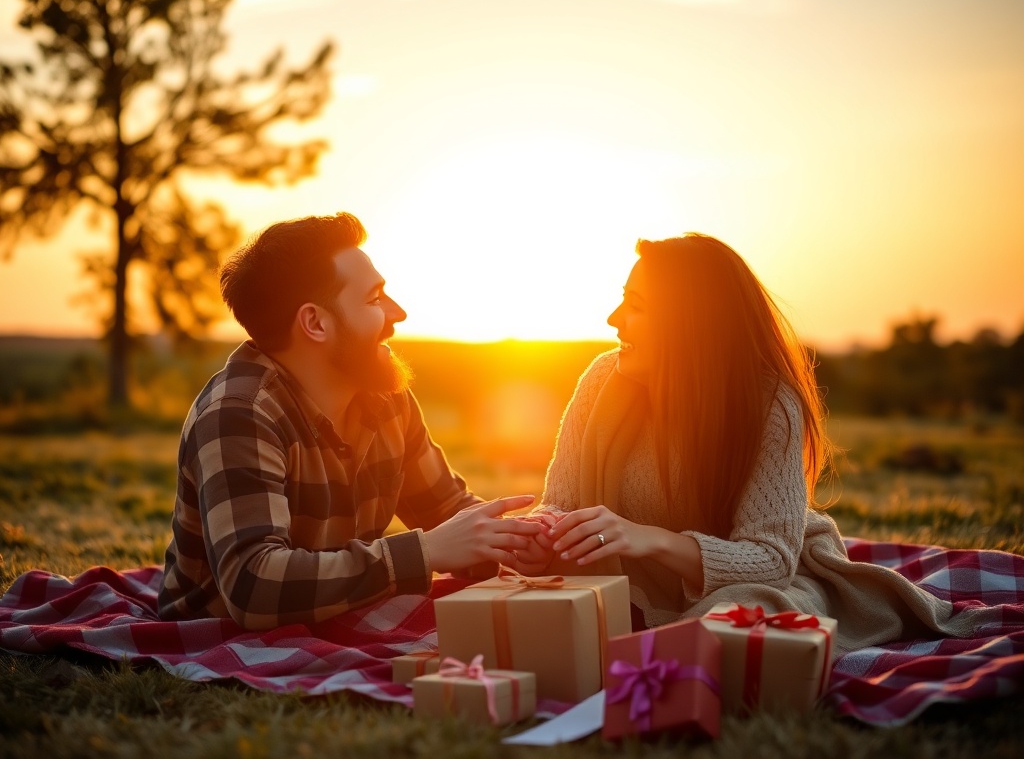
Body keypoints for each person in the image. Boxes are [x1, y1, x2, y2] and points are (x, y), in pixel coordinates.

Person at [513, 233, 1002, 654]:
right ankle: (655, 645)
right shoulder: (601, 381)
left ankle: (670, 655)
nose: (614, 318)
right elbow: (559, 503)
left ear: (688, 322)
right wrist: (536, 537)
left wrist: (651, 539)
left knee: (744, 613)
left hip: (756, 578)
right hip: (627, 584)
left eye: (636, 306)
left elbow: (771, 560)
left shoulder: (768, 404)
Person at [158, 212, 542, 630]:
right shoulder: (238, 413)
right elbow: (254, 586)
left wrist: (524, 540)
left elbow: (446, 510)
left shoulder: (387, 399)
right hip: (220, 631)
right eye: (374, 299)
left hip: (343, 613)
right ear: (315, 323)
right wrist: (425, 552)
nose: (399, 313)